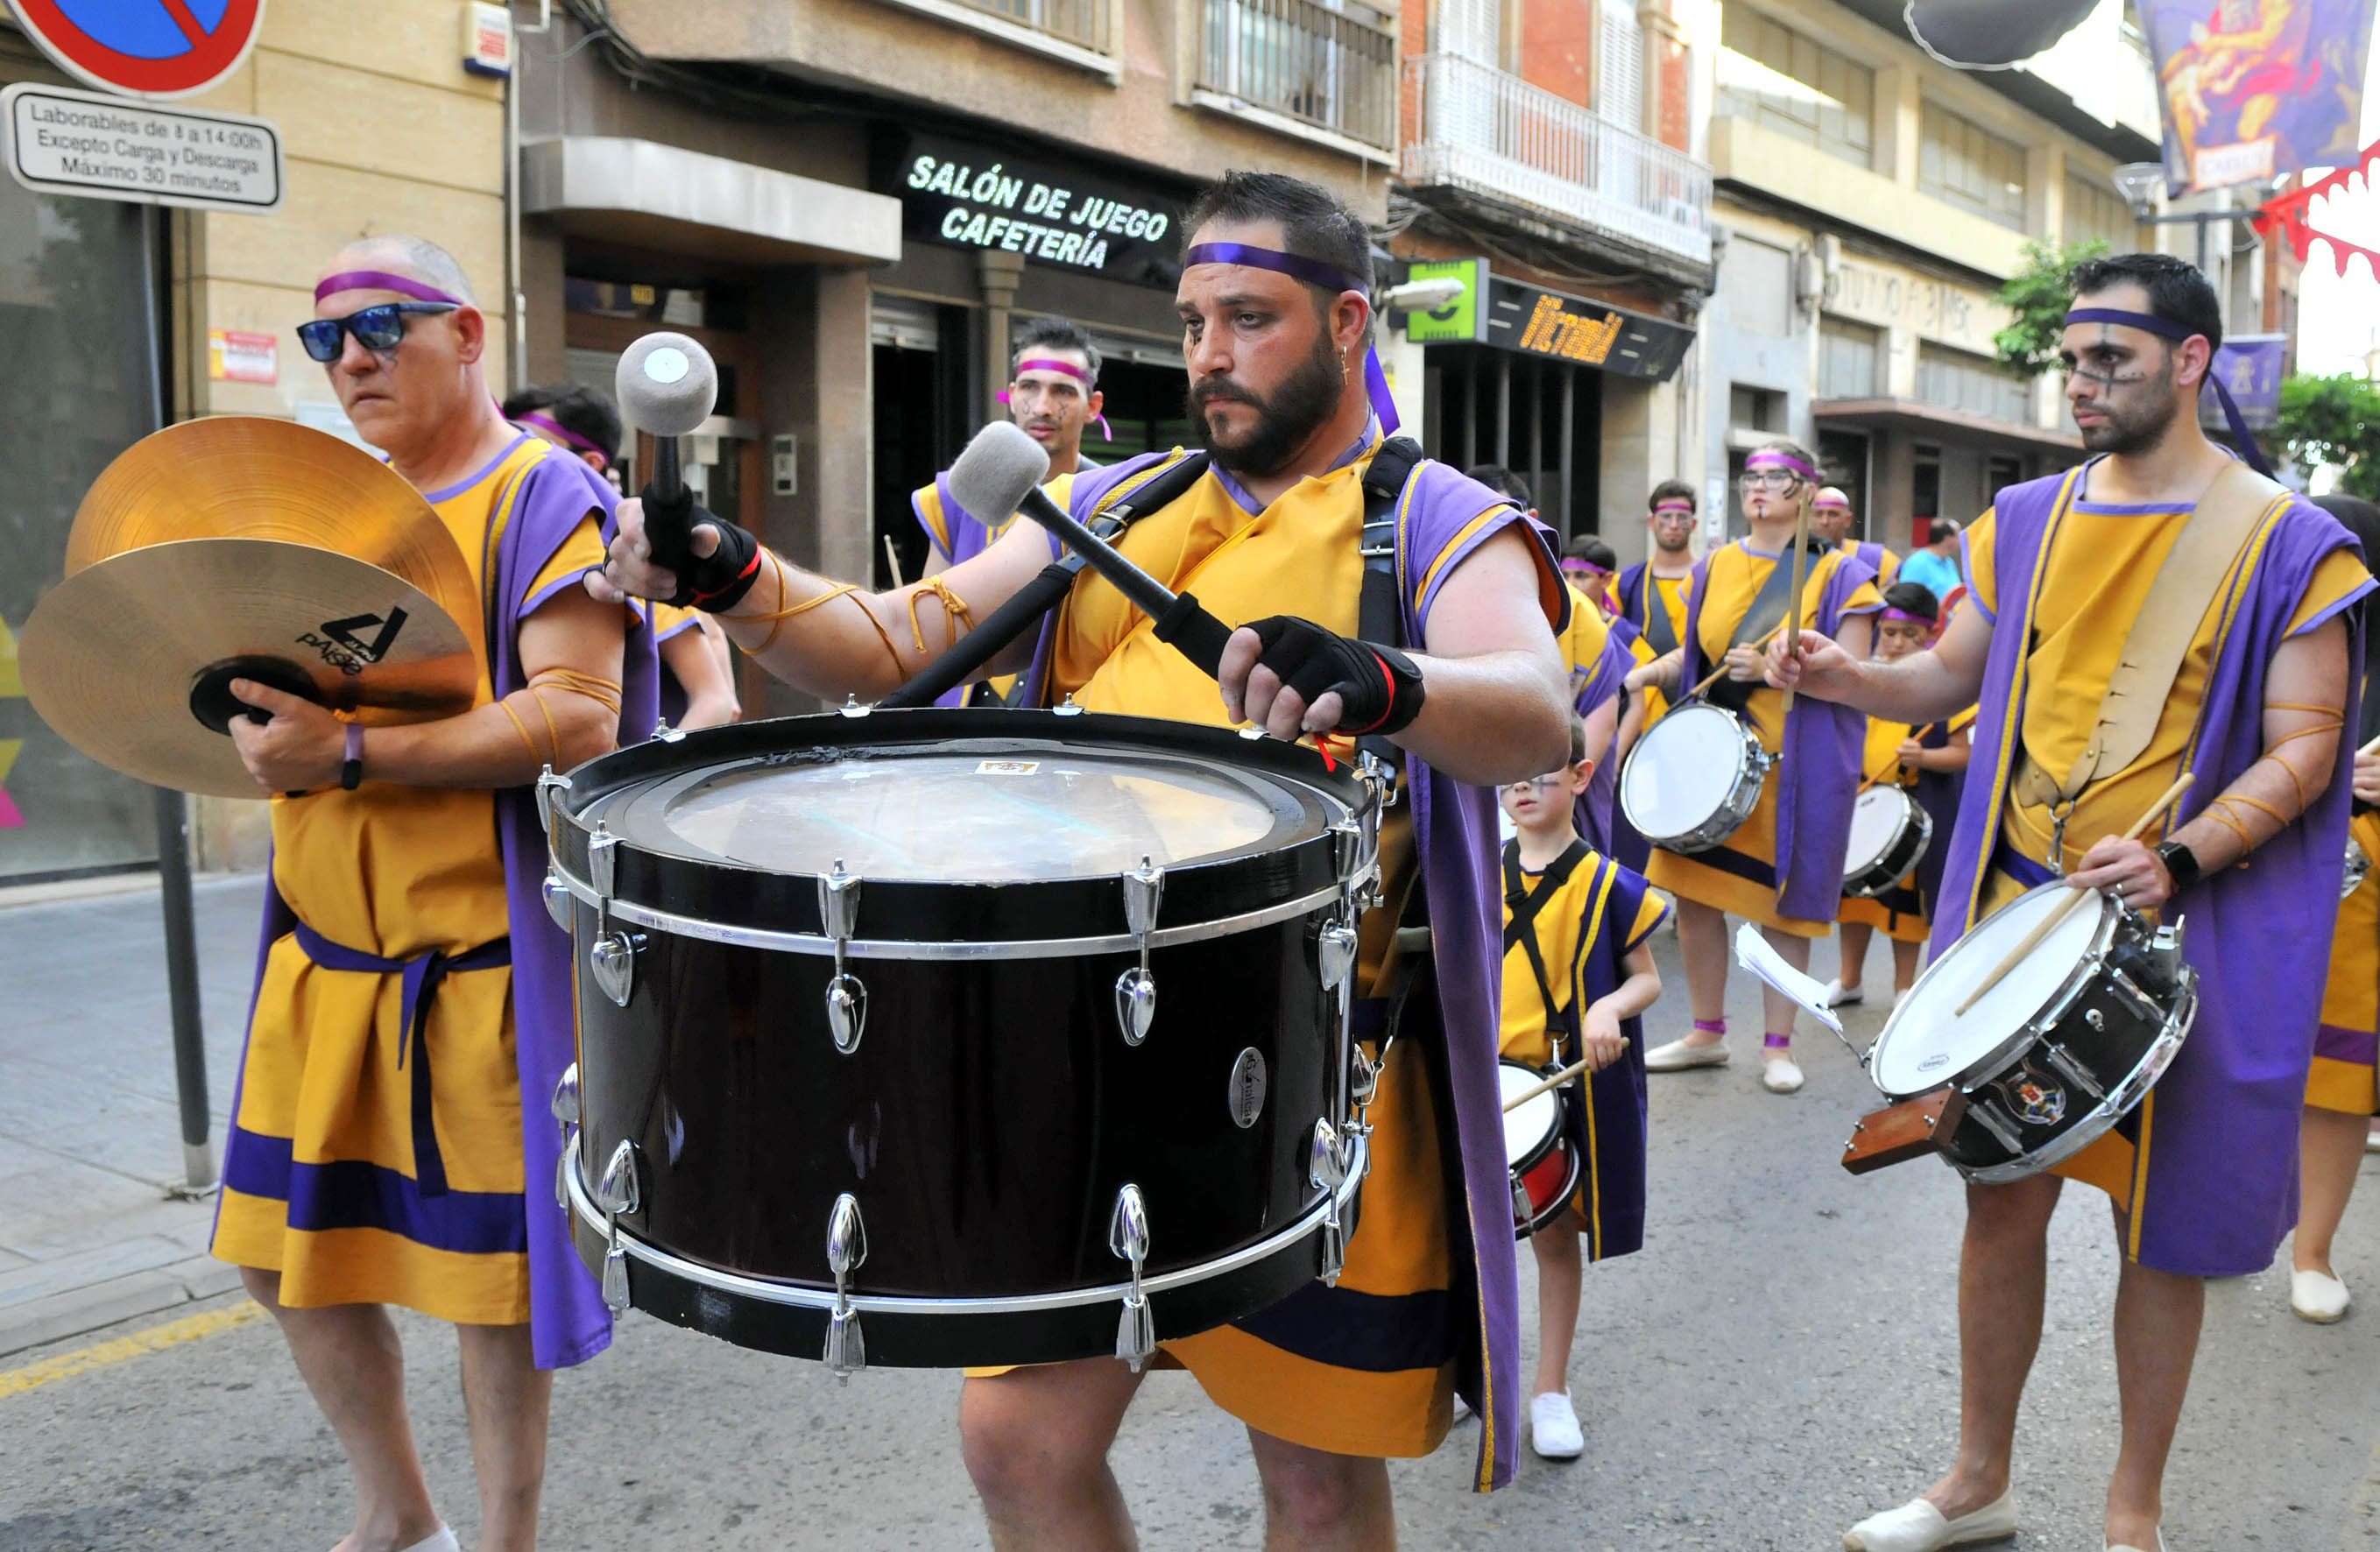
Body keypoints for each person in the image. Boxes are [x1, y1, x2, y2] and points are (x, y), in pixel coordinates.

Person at [587, 168, 1574, 1543]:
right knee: (1016, 1441)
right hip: (1079, 1064)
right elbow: (891, 646)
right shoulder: (1110, 504)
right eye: (1189, 323)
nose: (1210, 355)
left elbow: (1534, 703)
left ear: (1350, 324)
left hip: (1306, 1065)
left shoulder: (1431, 516)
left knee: (1308, 1469)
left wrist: (1387, 676)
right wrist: (734, 575)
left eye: (1249, 317)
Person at [1769, 252, 2368, 1552]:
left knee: (2157, 1224)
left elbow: (2308, 739)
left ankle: (2131, 1512)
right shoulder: (2030, 516)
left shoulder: (2288, 540)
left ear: (2191, 361)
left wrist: (2186, 853)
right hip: (2018, 909)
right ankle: (1974, 1483)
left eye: (2114, 361)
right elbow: (1938, 684)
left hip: (2176, 917)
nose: (2083, 385)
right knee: (2001, 1192)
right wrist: (1836, 679)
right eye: (2074, 362)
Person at [213, 236, 658, 1552]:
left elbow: (576, 720)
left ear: (466, 335)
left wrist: (348, 751)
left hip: (474, 977)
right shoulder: (338, 506)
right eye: (326, 339)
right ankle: (395, 1509)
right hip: (322, 967)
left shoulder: (544, 493)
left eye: (383, 326)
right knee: (270, 1248)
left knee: (487, 1292)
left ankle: (505, 1540)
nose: (351, 358)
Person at [1621, 439, 1882, 1095]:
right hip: (1714, 759)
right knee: (1694, 896)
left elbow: (1853, 675)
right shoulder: (1714, 567)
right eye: (1750, 477)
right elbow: (1698, 656)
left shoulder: (1840, 575)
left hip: (1792, 763)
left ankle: (1777, 1045)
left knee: (1781, 907)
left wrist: (1772, 669)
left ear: (1806, 489)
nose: (1757, 488)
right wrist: (1648, 672)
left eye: (1775, 477)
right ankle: (1706, 1034)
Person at [1495, 716, 1665, 1462]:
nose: (1522, 787)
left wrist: (1608, 1006)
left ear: (1579, 776)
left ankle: (1549, 1389)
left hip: (1554, 1092)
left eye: (1540, 770)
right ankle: (1477, 1372)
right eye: (1508, 774)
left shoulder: (1610, 884)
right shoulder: (1474, 873)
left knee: (1553, 1240)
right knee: (1467, 1241)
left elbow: (1646, 982)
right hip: (1483, 1089)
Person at [507, 383, 738, 730]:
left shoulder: (631, 554)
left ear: (590, 463)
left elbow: (716, 700)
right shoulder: (514, 545)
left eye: (536, 448)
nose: (517, 462)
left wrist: (648, 777)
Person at [912, 316, 1105, 704]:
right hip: (963, 714)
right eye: (1031, 388)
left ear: (1092, 406)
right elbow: (926, 622)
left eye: (1064, 391)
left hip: (1071, 713)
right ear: (1013, 394)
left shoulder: (1113, 498)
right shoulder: (956, 494)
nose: (1044, 407)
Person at [2292, 492, 2380, 1323]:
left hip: (2359, 880)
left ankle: (2311, 1250)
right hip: (2244, 865)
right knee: (2213, 1061)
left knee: (2336, 1074)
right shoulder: (2251, 637)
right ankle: (2205, 1225)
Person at [1824, 582, 1973, 1010]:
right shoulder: (1864, 678)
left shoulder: (1945, 690)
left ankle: (1904, 987)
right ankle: (1849, 978)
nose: (1898, 642)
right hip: (1862, 803)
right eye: (1890, 632)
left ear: (1930, 636)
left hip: (1911, 809)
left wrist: (1924, 756)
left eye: (1911, 635)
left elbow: (1964, 754)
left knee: (1904, 907)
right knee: (1853, 899)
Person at [1614, 481, 1698, 719]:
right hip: (1639, 710)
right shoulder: (1625, 583)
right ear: (1652, 522)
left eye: (1682, 517)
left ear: (1693, 524)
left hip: (1695, 702)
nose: (1673, 525)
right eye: (1666, 516)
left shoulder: (1712, 577)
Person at [1811, 485, 1899, 587]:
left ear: (1848, 520)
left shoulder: (1877, 558)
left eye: (1833, 514)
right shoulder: (1798, 558)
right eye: (1818, 514)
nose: (1825, 521)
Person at [1899, 517, 1964, 603]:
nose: (1961, 540)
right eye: (1958, 535)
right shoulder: (1917, 563)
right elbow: (1905, 597)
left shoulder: (1949, 562)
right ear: (1947, 538)